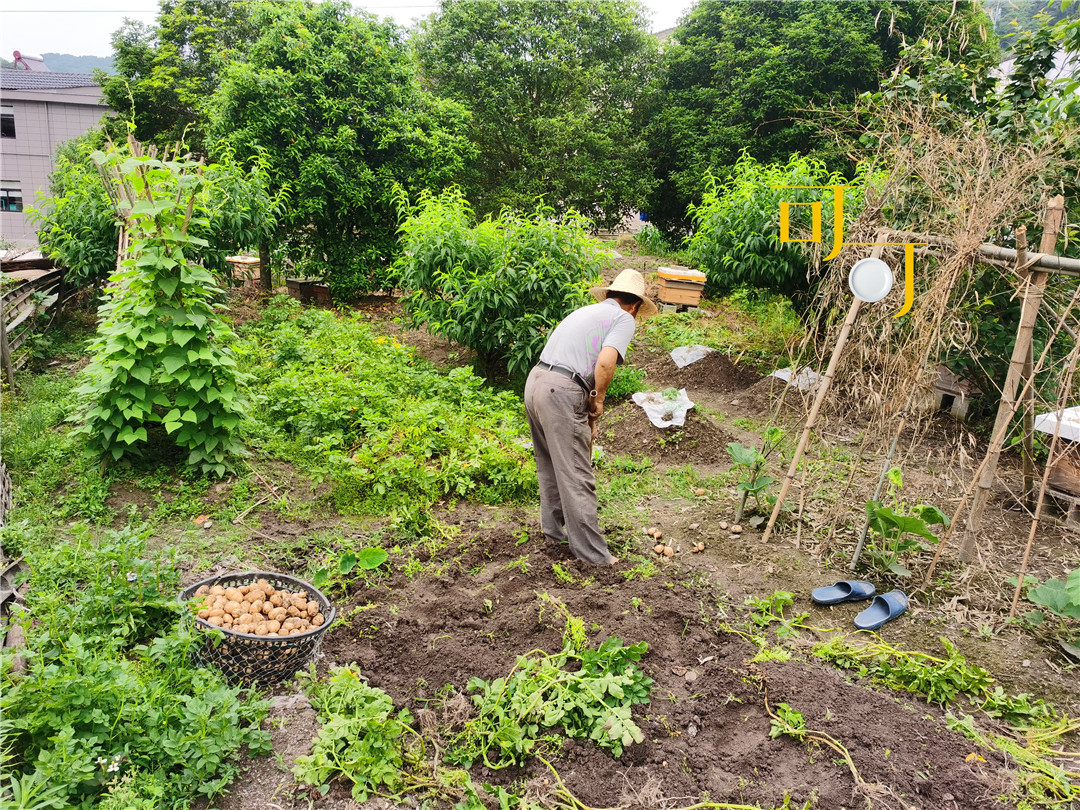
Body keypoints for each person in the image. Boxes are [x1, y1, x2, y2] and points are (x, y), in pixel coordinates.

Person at [524, 268, 658, 565]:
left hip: (536, 382)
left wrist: (587, 403)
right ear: (635, 305)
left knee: (549, 464)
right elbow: (606, 363)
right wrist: (597, 399)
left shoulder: (587, 311)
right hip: (561, 391)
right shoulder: (623, 318)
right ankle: (593, 556)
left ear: (610, 294)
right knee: (576, 473)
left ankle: (554, 533)